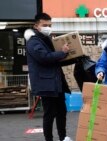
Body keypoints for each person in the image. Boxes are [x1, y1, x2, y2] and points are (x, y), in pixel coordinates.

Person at [25, 13, 72, 141]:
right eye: (44, 25)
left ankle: (63, 137)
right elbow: (44, 57)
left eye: (49, 25)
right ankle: (49, 139)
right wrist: (62, 52)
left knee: (62, 112)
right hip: (46, 84)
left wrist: (72, 57)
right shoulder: (33, 42)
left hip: (57, 83)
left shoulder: (48, 40)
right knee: (49, 114)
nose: (48, 28)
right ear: (36, 26)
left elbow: (55, 60)